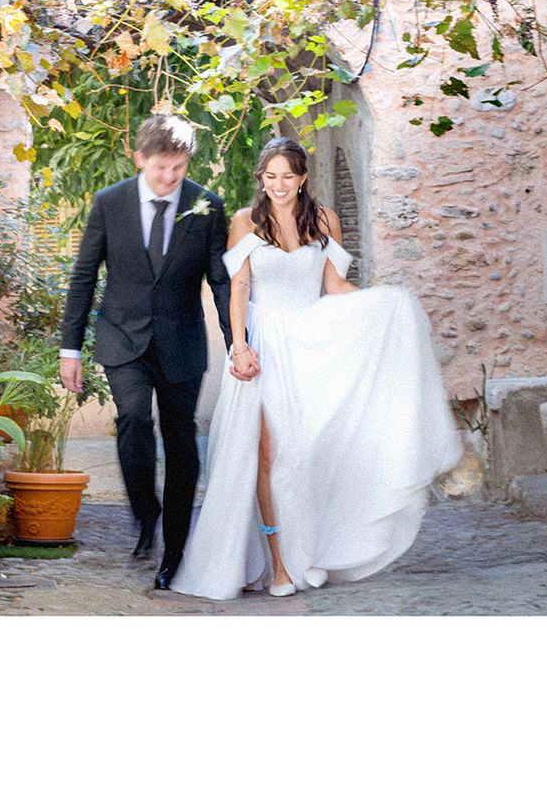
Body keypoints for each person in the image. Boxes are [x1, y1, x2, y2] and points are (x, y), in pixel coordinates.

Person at [170, 137, 461, 600]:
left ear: (302, 178)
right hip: (263, 344)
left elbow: (334, 285)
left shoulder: (325, 220)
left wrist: (384, 302)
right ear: (261, 179)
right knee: (266, 454)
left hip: (311, 342)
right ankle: (278, 566)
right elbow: (239, 287)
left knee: (301, 454)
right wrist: (239, 347)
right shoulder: (246, 221)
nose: (279, 185)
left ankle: (307, 548)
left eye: (288, 176)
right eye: (271, 176)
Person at [59, 114, 235, 590]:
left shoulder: (207, 205)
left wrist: (237, 342)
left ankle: (175, 549)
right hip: (122, 338)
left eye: (179, 167)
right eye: (161, 167)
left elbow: (220, 281)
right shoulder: (109, 202)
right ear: (139, 158)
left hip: (182, 341)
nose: (170, 177)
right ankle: (145, 512)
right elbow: (84, 277)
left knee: (181, 438)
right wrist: (70, 348)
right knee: (134, 419)